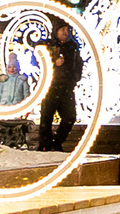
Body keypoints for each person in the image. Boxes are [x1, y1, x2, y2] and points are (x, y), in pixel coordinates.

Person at [36, 23, 84, 152]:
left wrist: (75, 76)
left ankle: (56, 142)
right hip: (50, 87)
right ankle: (45, 144)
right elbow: (37, 58)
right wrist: (53, 60)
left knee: (69, 117)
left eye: (67, 30)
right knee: (46, 118)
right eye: (62, 29)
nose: (65, 32)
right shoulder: (48, 46)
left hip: (66, 87)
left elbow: (78, 63)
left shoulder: (72, 47)